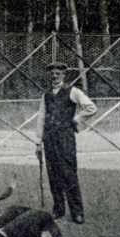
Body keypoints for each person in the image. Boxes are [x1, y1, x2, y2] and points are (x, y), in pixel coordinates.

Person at [35, 62, 97, 224]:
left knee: (69, 174)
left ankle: (77, 212)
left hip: (66, 139)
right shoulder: (46, 94)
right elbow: (41, 118)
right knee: (53, 174)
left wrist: (76, 119)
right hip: (49, 139)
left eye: (58, 73)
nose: (55, 76)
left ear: (64, 75)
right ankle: (58, 209)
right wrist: (37, 142)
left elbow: (91, 108)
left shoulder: (73, 91)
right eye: (52, 73)